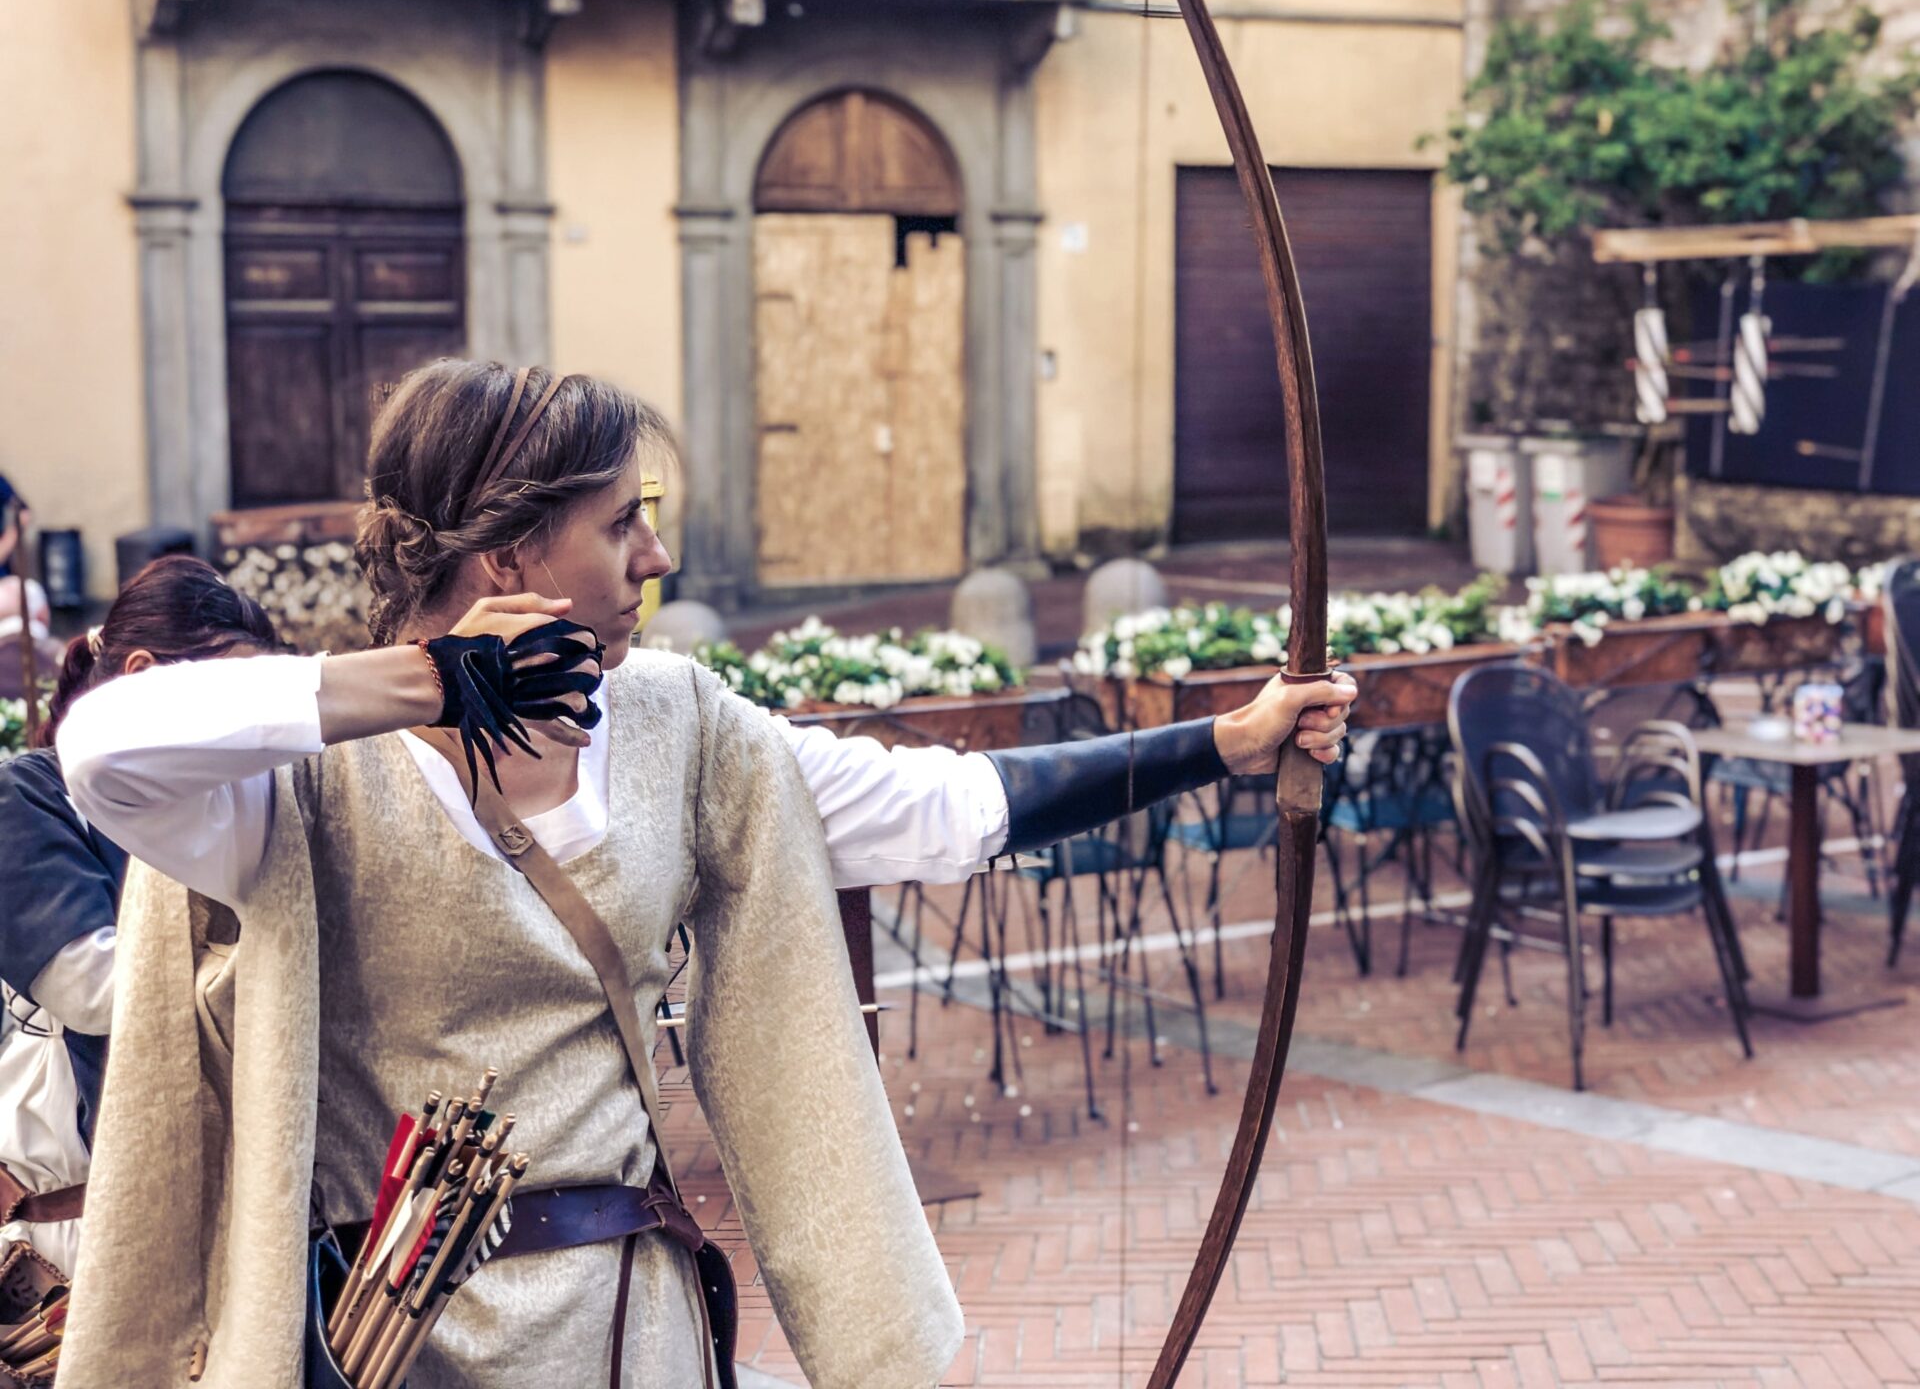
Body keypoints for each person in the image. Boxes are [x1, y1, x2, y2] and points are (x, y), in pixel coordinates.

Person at [57, 360, 1354, 1389]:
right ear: (507, 558)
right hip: (400, 1341)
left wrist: (1222, 745)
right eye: (623, 524)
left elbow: (947, 809)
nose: (656, 559)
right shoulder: (295, 785)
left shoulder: (679, 726)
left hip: (633, 1329)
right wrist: (432, 679)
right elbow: (103, 748)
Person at [0, 557, 285, 1278]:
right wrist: (287, 937)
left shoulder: (228, 805)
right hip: (77, 1229)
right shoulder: (29, 793)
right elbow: (93, 990)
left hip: (217, 1206)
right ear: (140, 679)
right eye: (233, 700)